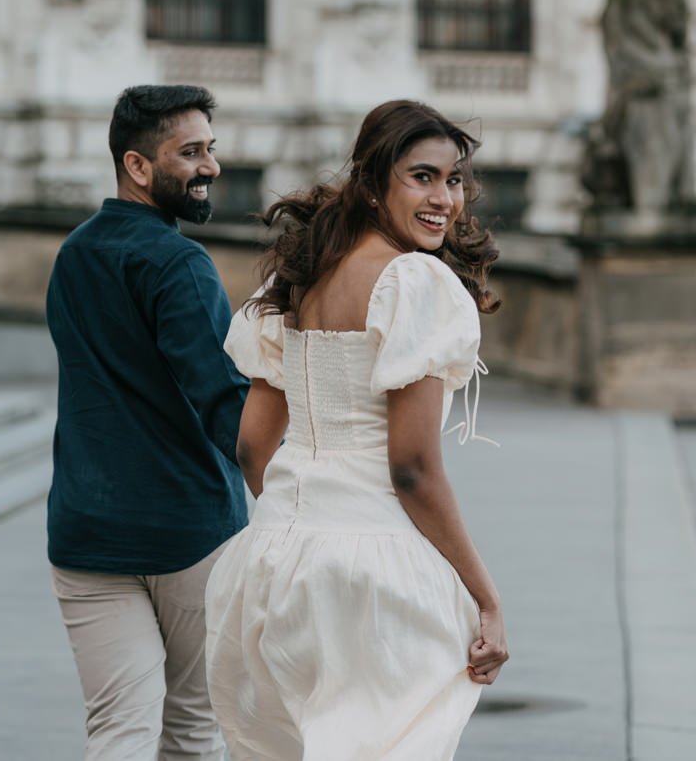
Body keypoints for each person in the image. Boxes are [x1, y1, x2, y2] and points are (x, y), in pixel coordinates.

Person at [205, 99, 509, 761]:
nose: (445, 199)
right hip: (371, 567)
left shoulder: (300, 279)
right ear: (373, 185)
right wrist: (485, 600)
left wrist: (298, 520)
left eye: (452, 179)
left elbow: (252, 446)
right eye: (421, 177)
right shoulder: (413, 282)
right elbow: (411, 468)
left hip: (271, 558)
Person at [46, 84, 248, 761]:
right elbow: (221, 398)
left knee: (117, 730)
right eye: (190, 153)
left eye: (210, 150)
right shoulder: (178, 263)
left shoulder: (75, 252)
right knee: (192, 733)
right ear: (138, 167)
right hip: (189, 530)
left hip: (86, 533)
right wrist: (290, 489)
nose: (210, 167)